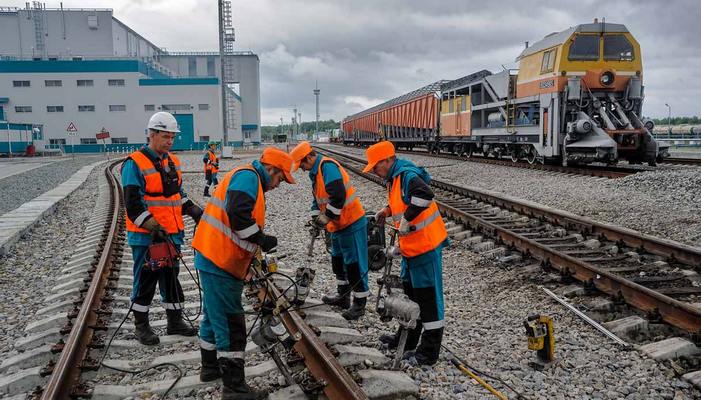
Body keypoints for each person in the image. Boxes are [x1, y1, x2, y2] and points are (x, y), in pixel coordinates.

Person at [192, 147, 296, 399]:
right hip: (219, 260)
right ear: (271, 169)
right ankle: (234, 388)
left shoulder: (248, 178)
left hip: (214, 256)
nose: (279, 184)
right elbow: (238, 215)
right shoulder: (249, 177)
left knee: (212, 316)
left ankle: (209, 368)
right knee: (230, 322)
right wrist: (262, 239)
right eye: (280, 178)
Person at [121, 111, 203, 345]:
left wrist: (194, 210)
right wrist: (152, 226)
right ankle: (141, 326)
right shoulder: (134, 164)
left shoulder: (172, 161)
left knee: (170, 277)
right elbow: (133, 204)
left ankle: (174, 321)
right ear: (152, 134)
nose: (170, 141)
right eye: (165, 136)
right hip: (147, 236)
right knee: (146, 279)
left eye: (172, 137)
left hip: (171, 234)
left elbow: (177, 194)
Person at [363, 140, 448, 366]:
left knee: (428, 299)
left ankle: (429, 352)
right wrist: (387, 210)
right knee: (411, 294)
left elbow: (424, 194)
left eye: (376, 167)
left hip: (425, 247)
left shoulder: (407, 176)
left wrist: (408, 218)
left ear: (389, 160)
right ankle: (408, 339)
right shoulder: (395, 179)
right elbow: (404, 202)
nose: (375, 171)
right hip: (411, 248)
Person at [289, 141, 370, 320]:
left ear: (310, 157)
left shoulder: (327, 167)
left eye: (302, 164)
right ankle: (343, 297)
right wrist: (315, 219)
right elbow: (318, 199)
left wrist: (325, 219)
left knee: (354, 264)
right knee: (338, 261)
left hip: (351, 222)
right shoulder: (315, 173)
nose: (301, 168)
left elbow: (338, 197)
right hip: (337, 225)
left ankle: (360, 303)